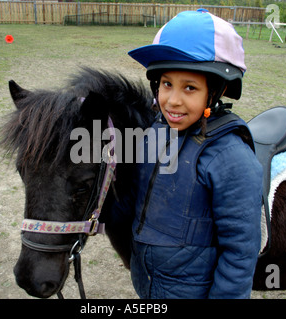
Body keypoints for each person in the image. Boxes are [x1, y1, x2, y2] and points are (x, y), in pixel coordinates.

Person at [112, 9, 263, 299]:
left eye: (190, 87)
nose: (173, 100)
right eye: (167, 84)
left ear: (216, 91)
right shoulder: (155, 132)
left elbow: (240, 254)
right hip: (149, 284)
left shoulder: (230, 158)